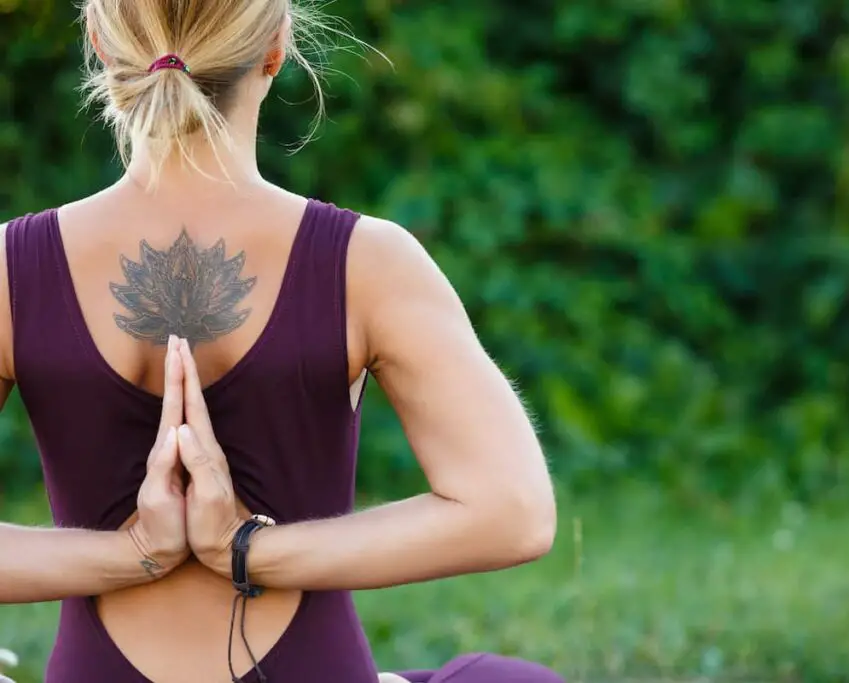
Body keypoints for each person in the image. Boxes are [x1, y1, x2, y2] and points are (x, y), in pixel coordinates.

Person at [0, 1, 562, 682]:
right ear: (276, 47)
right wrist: (244, 550)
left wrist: (136, 554)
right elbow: (513, 512)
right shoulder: (368, 262)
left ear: (97, 41)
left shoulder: (10, 269)